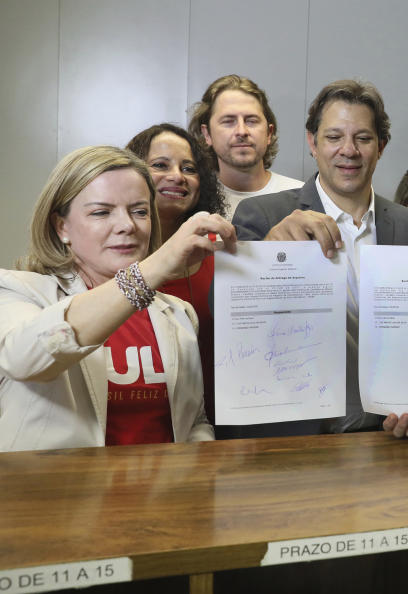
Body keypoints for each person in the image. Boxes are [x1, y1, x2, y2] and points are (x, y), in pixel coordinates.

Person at [0, 145, 237, 452]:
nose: (127, 225)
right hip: (60, 497)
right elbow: (26, 360)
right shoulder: (17, 290)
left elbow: (193, 421)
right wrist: (155, 266)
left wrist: (197, 476)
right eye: (101, 212)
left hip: (164, 498)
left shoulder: (179, 313)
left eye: (139, 211)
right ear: (62, 227)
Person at [232, 79, 408, 436]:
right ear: (312, 142)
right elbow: (231, 321)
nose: (349, 150)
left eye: (363, 138)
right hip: (295, 434)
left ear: (381, 146)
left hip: (389, 435)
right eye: (334, 137)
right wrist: (269, 251)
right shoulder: (264, 216)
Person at [126, 123, 225, 424]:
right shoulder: (112, 256)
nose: (178, 176)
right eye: (160, 165)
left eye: (189, 169)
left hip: (221, 417)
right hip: (143, 422)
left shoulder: (220, 252)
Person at [188, 74, 303, 218]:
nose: (241, 131)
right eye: (228, 121)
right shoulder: (191, 202)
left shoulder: (302, 198)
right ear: (207, 135)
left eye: (251, 121)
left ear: (269, 133)